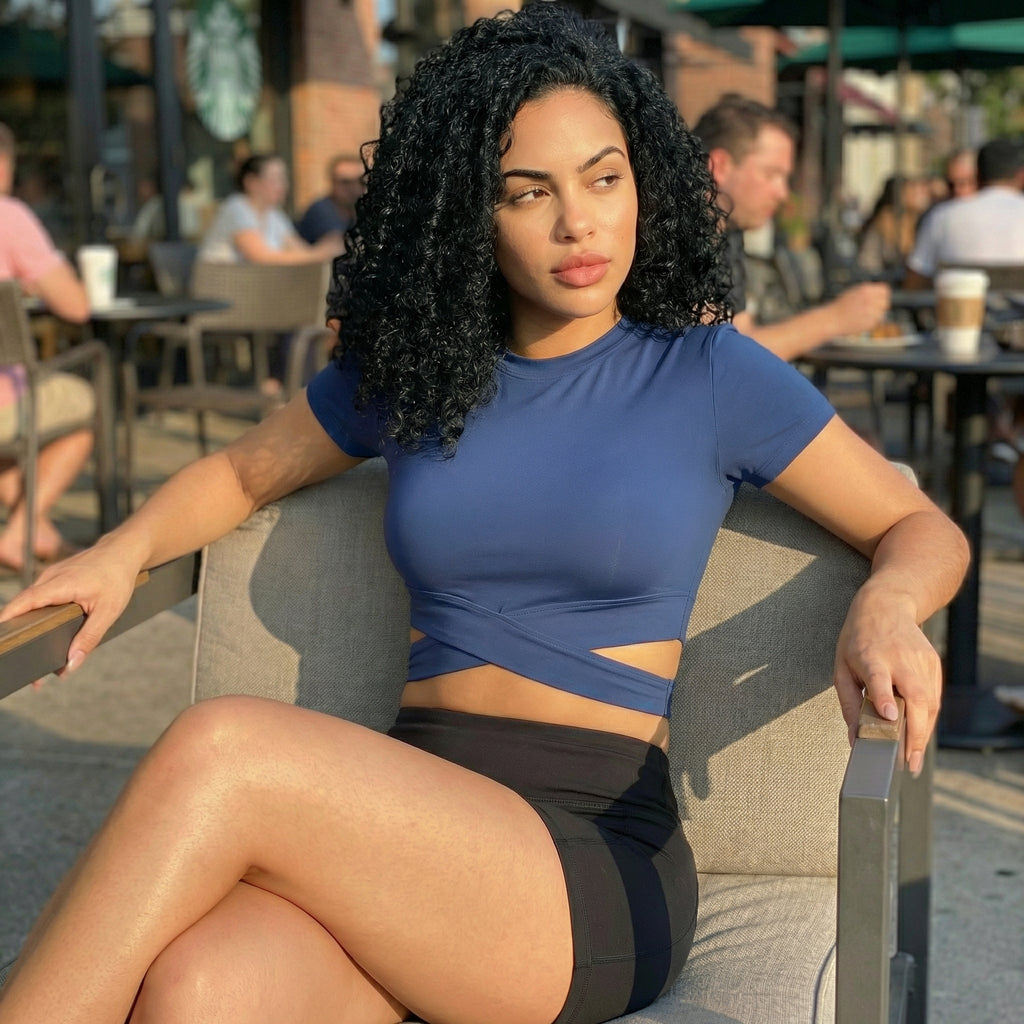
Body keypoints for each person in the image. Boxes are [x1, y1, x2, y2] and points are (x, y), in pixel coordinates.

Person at [0, 8, 968, 1024]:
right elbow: (241, 474)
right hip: (408, 828)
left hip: (587, 858)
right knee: (200, 989)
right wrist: (119, 553)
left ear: (647, 182)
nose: (579, 225)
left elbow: (919, 525)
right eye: (527, 192)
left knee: (221, 748)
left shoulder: (706, 372)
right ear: (471, 213)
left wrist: (887, 605)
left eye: (604, 179)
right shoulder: (418, 375)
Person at [692, 94, 892, 361]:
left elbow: (740, 334)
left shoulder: (727, 230)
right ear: (720, 166)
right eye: (771, 174)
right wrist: (836, 319)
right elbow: (725, 359)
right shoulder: (675, 238)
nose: (783, 193)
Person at [0, 121, 95, 573]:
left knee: (19, 432)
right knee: (79, 411)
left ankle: (37, 533)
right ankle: (18, 535)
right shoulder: (9, 215)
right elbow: (75, 307)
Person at [904, 137, 1024, 288]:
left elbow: (915, 280)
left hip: (962, 309)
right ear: (1021, 175)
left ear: (978, 175)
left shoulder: (942, 216)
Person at [197, 153, 343, 265]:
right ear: (251, 182)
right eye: (275, 179)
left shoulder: (274, 215)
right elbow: (261, 258)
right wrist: (320, 254)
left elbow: (299, 250)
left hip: (256, 289)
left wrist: (329, 245)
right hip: (224, 292)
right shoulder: (236, 207)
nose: (283, 185)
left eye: (284, 179)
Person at [856, 175, 931, 277]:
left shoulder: (918, 219)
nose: (920, 197)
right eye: (913, 192)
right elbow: (870, 260)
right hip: (882, 278)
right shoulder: (887, 220)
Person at [295, 152, 365, 244]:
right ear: (332, 183)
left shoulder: (358, 210)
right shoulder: (321, 210)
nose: (354, 188)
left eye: (360, 181)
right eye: (345, 182)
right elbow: (339, 245)